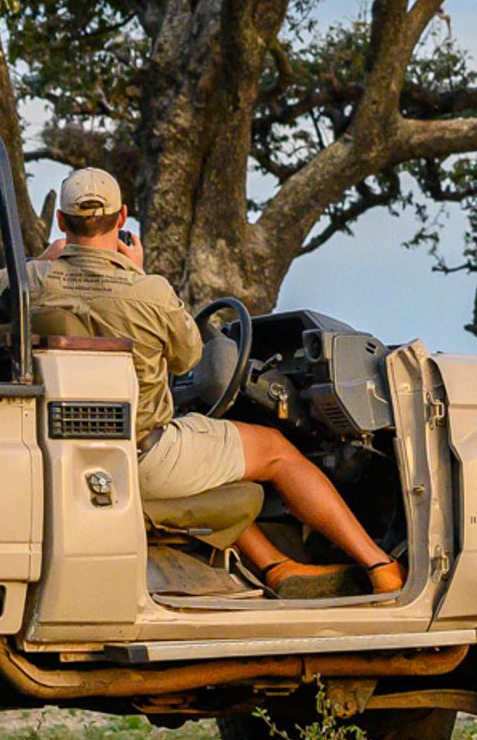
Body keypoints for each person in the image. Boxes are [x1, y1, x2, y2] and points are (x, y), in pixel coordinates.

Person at [25, 167, 402, 596]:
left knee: (213, 445)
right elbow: (189, 357)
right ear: (122, 217)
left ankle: (276, 567)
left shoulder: (30, 283)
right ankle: (381, 565)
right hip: (141, 457)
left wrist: (40, 263)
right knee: (276, 451)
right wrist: (137, 273)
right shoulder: (147, 291)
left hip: (58, 450)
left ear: (60, 221)